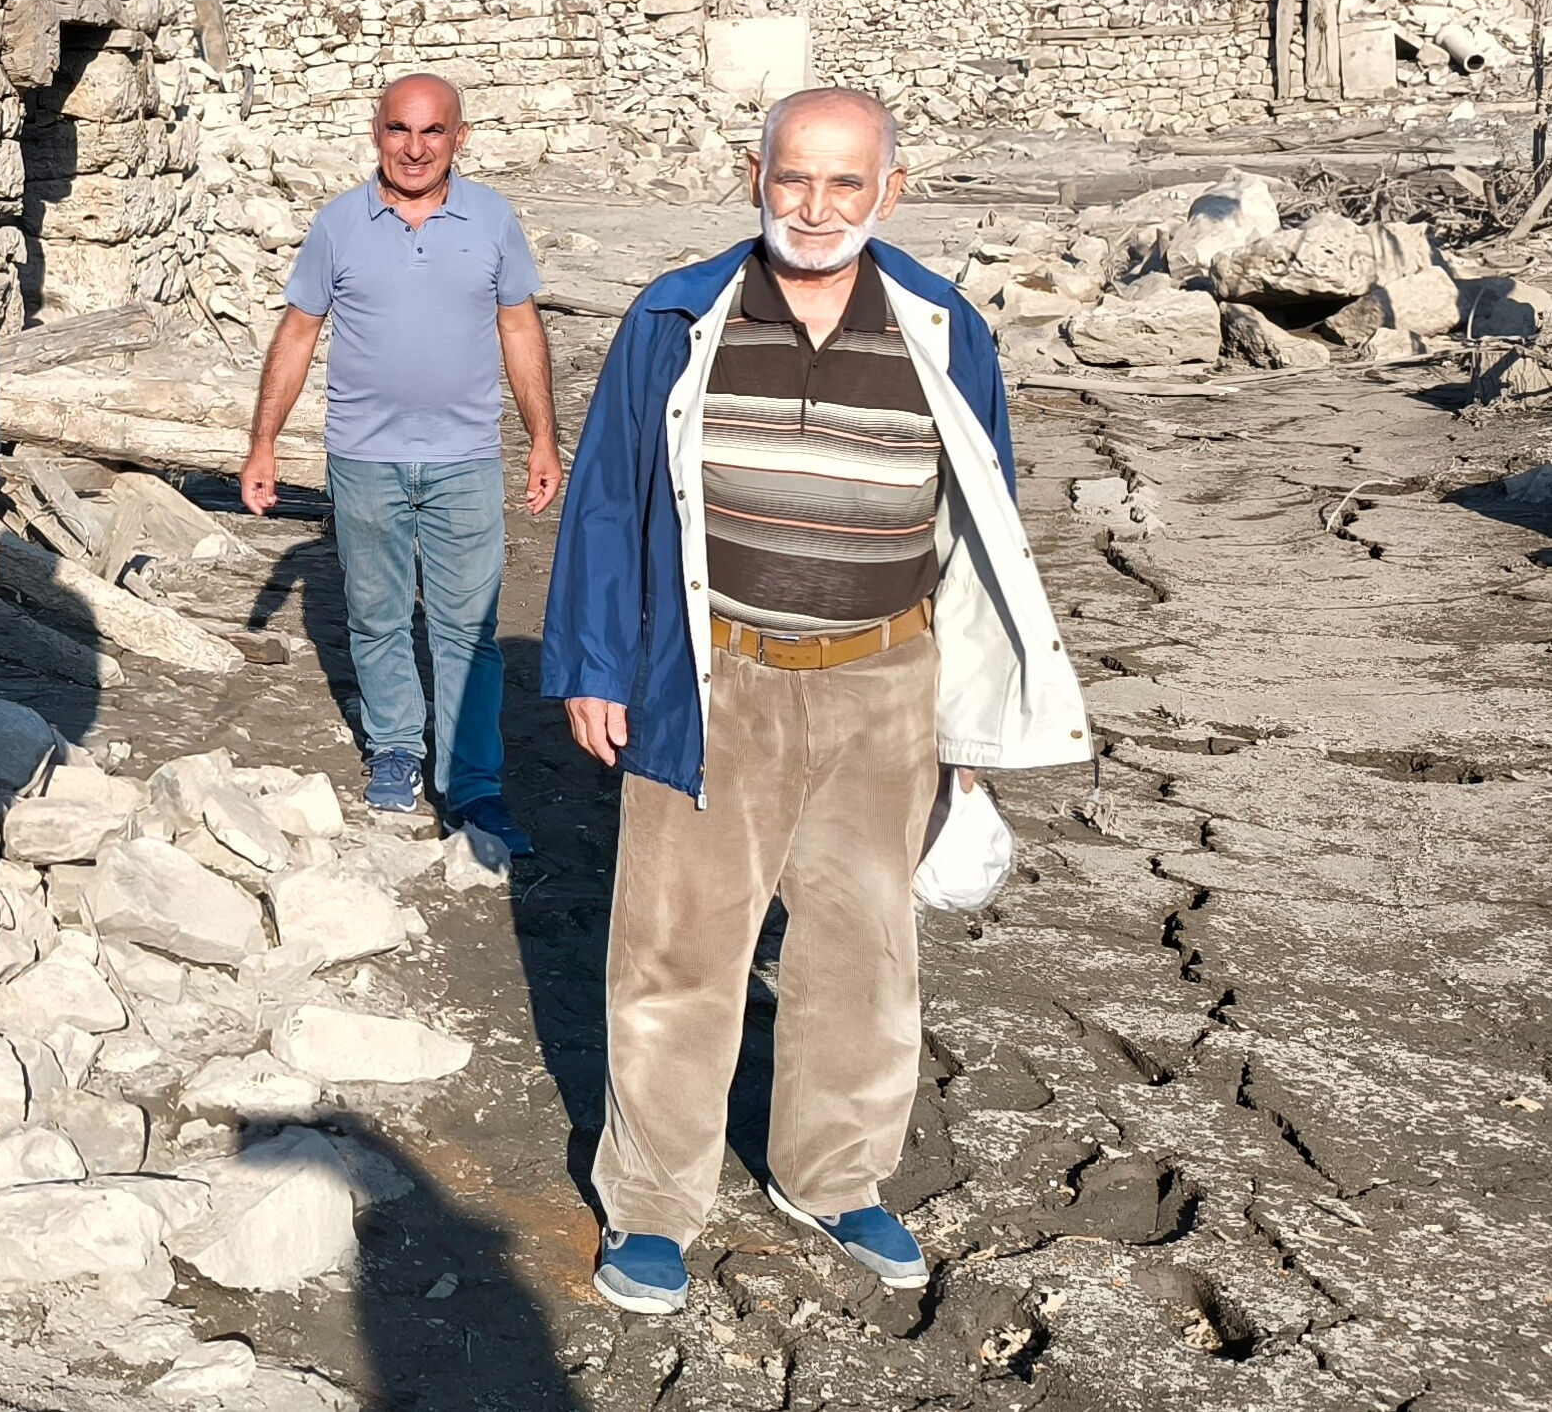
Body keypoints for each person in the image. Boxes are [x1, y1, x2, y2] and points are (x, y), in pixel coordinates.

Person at [541, 87, 1090, 1315]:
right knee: (677, 947)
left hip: (885, 682)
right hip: (712, 674)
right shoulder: (677, 316)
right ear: (755, 176)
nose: (818, 205)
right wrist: (590, 662)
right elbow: (609, 501)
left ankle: (834, 1177)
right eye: (796, 178)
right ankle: (651, 1208)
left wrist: (971, 725)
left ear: (890, 189)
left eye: (846, 183)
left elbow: (980, 528)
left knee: (864, 949)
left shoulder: (945, 327)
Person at [241, 73, 562, 845]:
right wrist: (262, 441)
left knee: (467, 629)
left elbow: (518, 329)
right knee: (377, 617)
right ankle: (393, 749)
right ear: (375, 132)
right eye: (398, 130)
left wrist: (543, 437)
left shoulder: (490, 218)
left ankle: (473, 786)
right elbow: (296, 335)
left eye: (431, 132)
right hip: (363, 458)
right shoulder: (338, 225)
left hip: (465, 460)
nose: (413, 149)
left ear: (460, 136)